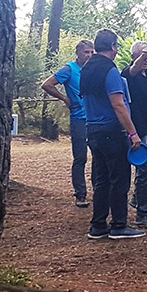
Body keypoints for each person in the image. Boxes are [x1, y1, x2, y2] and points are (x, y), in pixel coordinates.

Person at [78, 29, 145, 239]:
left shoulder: (86, 69)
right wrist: (133, 133)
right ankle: (118, 225)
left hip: (92, 129)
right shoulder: (110, 70)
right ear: (114, 47)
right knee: (119, 179)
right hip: (111, 131)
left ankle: (98, 225)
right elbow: (118, 104)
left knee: (101, 179)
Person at [42, 39, 95, 208]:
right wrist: (64, 98)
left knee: (99, 156)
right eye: (86, 52)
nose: (89, 55)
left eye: (92, 52)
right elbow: (47, 84)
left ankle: (99, 190)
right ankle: (80, 194)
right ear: (78, 53)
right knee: (80, 158)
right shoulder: (70, 69)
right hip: (79, 119)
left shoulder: (94, 69)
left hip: (95, 119)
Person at [120, 41, 147, 226]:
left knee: (144, 168)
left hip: (146, 128)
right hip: (135, 131)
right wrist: (144, 56)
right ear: (134, 57)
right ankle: (142, 214)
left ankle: (138, 200)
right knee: (145, 171)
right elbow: (133, 69)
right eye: (142, 55)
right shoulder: (129, 74)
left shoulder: (146, 75)